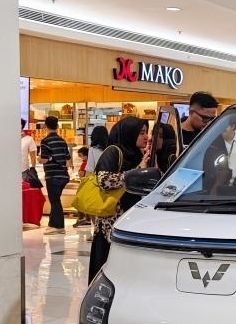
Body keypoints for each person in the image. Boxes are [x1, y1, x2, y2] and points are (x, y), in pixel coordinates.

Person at [88, 116, 152, 282]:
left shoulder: (138, 153)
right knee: (108, 264)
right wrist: (136, 172)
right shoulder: (113, 152)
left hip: (130, 217)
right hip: (111, 221)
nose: (146, 137)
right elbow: (104, 180)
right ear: (129, 133)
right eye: (141, 133)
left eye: (146, 132)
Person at [38, 116, 73, 235]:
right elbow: (68, 159)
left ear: (45, 126)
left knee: (54, 200)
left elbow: (44, 159)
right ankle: (52, 224)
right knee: (56, 199)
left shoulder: (45, 141)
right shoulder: (62, 141)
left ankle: (59, 226)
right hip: (63, 175)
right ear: (57, 126)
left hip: (52, 175)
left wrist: (40, 159)